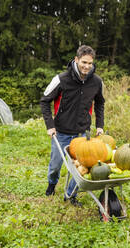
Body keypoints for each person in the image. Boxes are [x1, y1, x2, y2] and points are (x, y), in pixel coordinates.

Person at [40, 45, 105, 206]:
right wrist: (50, 125)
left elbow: (100, 104)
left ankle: (70, 195)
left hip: (82, 132)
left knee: (82, 168)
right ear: (76, 60)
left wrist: (99, 125)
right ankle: (52, 184)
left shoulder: (96, 82)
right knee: (55, 165)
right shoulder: (61, 79)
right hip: (61, 131)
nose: (87, 66)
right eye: (84, 62)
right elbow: (44, 101)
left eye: (90, 63)